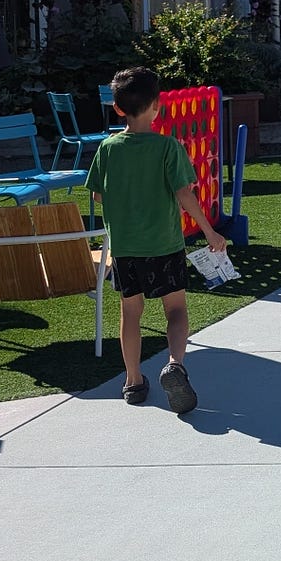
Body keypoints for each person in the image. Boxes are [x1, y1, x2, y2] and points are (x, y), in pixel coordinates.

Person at [87, 66, 229, 414]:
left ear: (118, 108)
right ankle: (175, 365)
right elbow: (184, 194)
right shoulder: (168, 147)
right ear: (157, 106)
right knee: (176, 309)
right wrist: (210, 232)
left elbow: (98, 197)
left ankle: (133, 381)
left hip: (124, 248)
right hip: (164, 245)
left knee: (130, 313)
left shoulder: (107, 149)